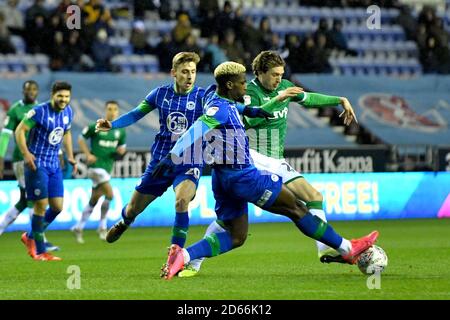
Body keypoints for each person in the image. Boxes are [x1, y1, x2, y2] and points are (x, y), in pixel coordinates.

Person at [151, 61, 379, 280]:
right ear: (230, 85)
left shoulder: (220, 98)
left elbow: (251, 110)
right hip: (244, 176)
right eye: (241, 82)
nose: (245, 85)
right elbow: (195, 131)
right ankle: (348, 248)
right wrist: (170, 160)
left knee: (236, 235)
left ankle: (186, 255)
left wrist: (272, 103)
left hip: (222, 179)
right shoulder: (218, 109)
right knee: (296, 208)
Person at [95, 52, 206, 269]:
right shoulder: (160, 94)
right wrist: (112, 124)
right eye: (185, 72)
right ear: (174, 73)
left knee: (182, 201)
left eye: (193, 72)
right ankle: (125, 222)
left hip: (189, 161)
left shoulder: (203, 96)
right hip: (160, 162)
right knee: (133, 209)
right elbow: (136, 114)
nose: (190, 76)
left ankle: (175, 258)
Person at [15, 81, 77, 261]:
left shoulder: (68, 112)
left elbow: (66, 133)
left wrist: (70, 155)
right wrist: (26, 154)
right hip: (37, 163)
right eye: (60, 96)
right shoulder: (39, 111)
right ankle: (40, 251)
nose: (63, 99)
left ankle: (30, 236)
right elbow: (20, 131)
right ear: (53, 95)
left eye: (66, 96)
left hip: (54, 165)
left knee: (57, 207)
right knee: (41, 205)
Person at [0, 81, 59, 251]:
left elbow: (51, 134)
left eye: (34, 89)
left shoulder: (41, 109)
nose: (31, 92)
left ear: (37, 91)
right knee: (35, 199)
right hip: (22, 160)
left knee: (26, 200)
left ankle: (34, 237)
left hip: (40, 159)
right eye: (28, 89)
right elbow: (5, 137)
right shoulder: (15, 110)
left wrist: (59, 154)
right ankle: (40, 240)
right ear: (23, 91)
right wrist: (1, 158)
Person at [71, 101, 126, 243]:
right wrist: (87, 154)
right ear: (105, 110)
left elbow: (121, 151)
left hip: (107, 168)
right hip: (95, 167)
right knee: (110, 195)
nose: (112, 112)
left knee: (94, 199)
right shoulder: (96, 127)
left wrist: (120, 152)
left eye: (115, 109)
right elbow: (81, 138)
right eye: (109, 109)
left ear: (118, 112)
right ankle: (102, 227)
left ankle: (79, 226)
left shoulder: (121, 131)